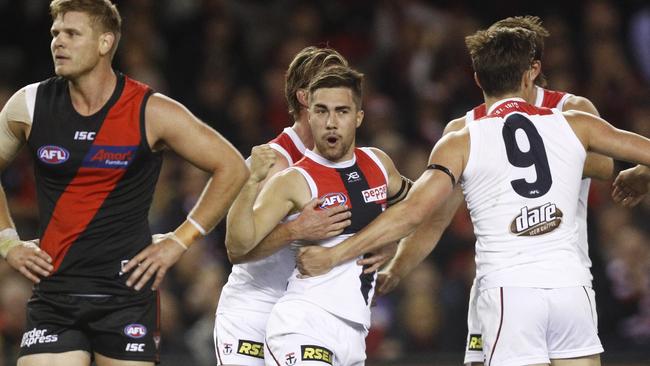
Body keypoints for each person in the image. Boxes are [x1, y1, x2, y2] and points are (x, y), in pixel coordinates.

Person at [297, 27, 650, 366]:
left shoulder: (462, 138)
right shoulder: (574, 123)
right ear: (529, 74)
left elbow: (417, 210)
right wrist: (641, 172)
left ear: (478, 79)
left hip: (509, 291)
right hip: (570, 285)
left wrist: (336, 255)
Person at [0, 1, 248, 365]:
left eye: (71, 34)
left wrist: (180, 240)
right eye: (55, 33)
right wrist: (7, 243)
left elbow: (232, 167)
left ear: (105, 43)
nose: (58, 42)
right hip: (56, 293)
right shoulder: (30, 104)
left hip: (127, 295)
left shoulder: (150, 110)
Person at [374, 15, 614, 366]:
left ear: (533, 68)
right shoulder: (465, 128)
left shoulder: (570, 110)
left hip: (565, 278)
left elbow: (606, 165)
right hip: (504, 283)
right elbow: (437, 217)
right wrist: (398, 268)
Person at [226, 65, 408, 366]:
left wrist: (392, 240)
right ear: (309, 115)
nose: (331, 123)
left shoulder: (379, 163)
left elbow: (418, 206)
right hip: (304, 327)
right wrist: (250, 183)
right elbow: (237, 247)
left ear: (359, 117)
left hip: (355, 333)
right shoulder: (293, 179)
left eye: (342, 112)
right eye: (322, 111)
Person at [214, 46, 355, 366]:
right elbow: (236, 249)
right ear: (305, 98)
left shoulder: (343, 160)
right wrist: (295, 229)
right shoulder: (273, 162)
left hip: (309, 314)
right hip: (256, 309)